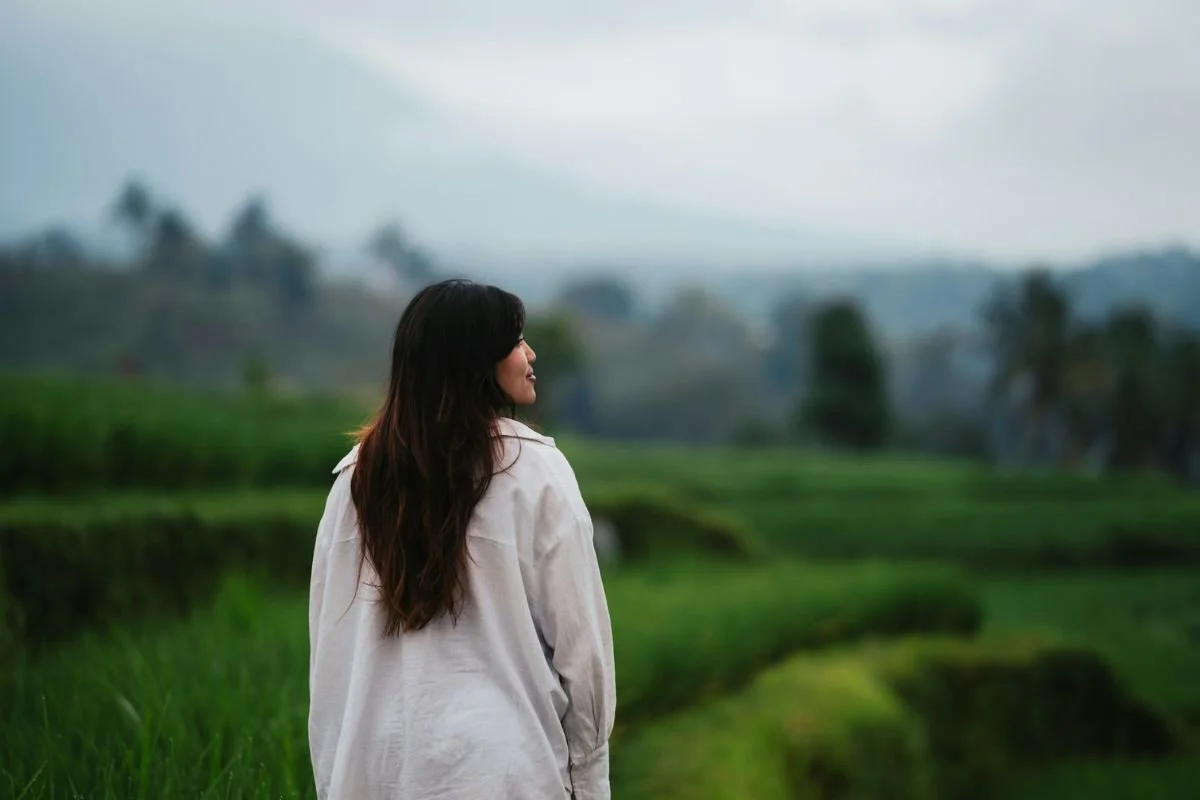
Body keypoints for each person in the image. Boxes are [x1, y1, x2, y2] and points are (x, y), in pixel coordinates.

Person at [308, 278, 616, 800]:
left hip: (373, 772)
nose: (530, 352)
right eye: (514, 341)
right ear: (475, 361)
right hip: (502, 774)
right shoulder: (537, 472)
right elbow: (583, 656)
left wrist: (333, 778)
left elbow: (329, 662)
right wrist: (587, 784)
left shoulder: (354, 482)